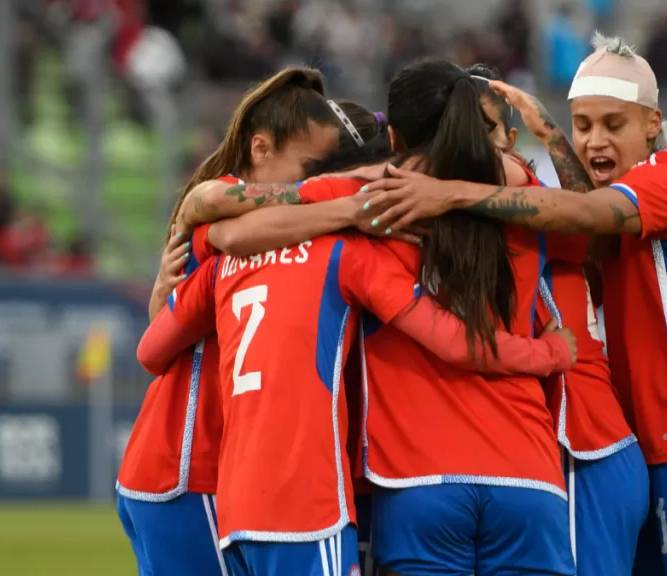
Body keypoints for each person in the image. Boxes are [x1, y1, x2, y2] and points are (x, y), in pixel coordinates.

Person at [358, 34, 667, 576]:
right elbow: (589, 232)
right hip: (655, 440)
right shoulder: (627, 197)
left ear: (652, 123)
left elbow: (585, 217)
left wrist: (455, 192)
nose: (595, 141)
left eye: (613, 124)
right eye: (583, 125)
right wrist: (550, 137)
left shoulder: (666, 179)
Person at [185, 59, 580, 576]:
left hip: (420, 481)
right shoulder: (526, 195)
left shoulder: (370, 202)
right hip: (531, 475)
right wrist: (553, 350)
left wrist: (211, 233)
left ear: (392, 135)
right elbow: (592, 225)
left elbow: (218, 209)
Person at [134, 206, 577, 576]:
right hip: (309, 502)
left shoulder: (223, 260)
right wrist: (552, 351)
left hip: (235, 505)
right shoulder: (347, 254)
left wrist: (178, 268)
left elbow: (150, 350)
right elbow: (455, 342)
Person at [116, 67, 352, 576]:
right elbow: (206, 200)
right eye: (309, 167)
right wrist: (345, 202)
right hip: (189, 461)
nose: (314, 181)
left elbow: (160, 328)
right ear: (260, 149)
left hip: (174, 467)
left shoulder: (245, 225)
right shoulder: (224, 211)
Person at [467, 61, 650, 576]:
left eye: (481, 126)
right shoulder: (505, 216)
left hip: (586, 448)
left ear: (508, 139)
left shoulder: (530, 208)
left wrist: (549, 134)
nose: (467, 140)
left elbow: (595, 232)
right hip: (572, 452)